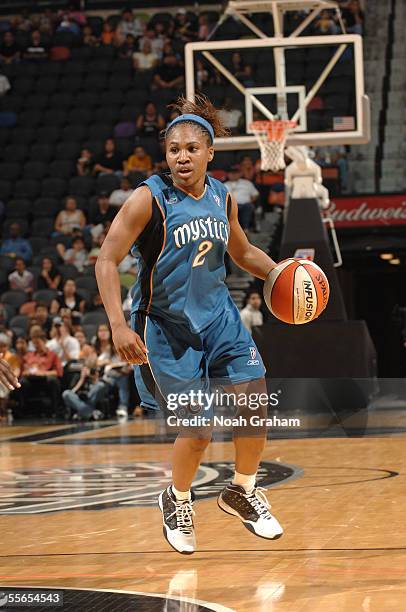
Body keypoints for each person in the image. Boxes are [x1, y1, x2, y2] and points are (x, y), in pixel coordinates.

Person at [95, 94, 283, 555]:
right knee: (198, 431)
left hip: (220, 318)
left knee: (254, 401)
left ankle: (242, 488)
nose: (181, 156)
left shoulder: (223, 197)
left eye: (191, 149)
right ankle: (177, 498)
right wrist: (118, 325)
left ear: (209, 153)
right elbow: (106, 259)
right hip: (167, 327)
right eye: (174, 148)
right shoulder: (149, 198)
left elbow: (242, 254)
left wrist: (282, 273)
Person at [19, 325, 63, 412]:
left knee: (53, 381)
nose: (37, 346)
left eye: (38, 343)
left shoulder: (52, 355)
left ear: (44, 342)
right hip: (31, 380)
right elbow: (22, 372)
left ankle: (54, 409)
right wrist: (28, 372)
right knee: (22, 382)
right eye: (35, 344)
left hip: (45, 380)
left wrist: (44, 373)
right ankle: (23, 410)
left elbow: (58, 372)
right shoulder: (29, 356)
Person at [225, 165, 259, 234]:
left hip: (245, 204)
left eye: (235, 173)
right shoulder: (223, 185)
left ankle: (246, 229)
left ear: (239, 174)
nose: (233, 174)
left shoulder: (247, 183)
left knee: (248, 206)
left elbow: (255, 194)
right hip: (230, 205)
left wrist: (250, 201)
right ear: (228, 174)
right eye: (231, 173)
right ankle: (229, 230)